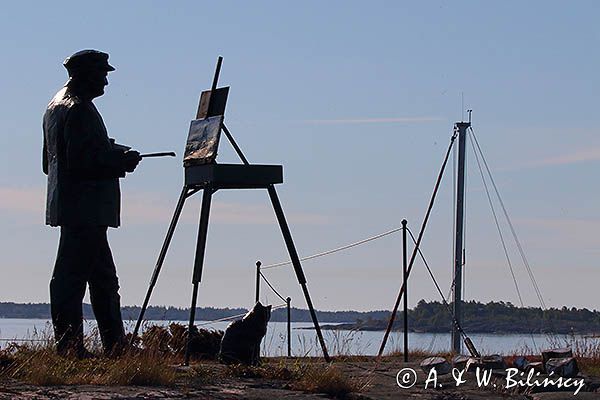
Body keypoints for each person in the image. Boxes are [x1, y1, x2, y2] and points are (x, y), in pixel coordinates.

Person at [42, 49, 141, 358]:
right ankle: (72, 349)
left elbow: (50, 163)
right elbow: (81, 163)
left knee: (103, 280)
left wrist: (108, 150)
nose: (106, 82)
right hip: (85, 209)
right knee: (73, 280)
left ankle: (114, 348)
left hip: (72, 207)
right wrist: (119, 161)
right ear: (85, 75)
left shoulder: (54, 107)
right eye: (103, 75)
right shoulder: (80, 110)